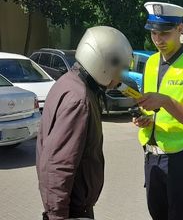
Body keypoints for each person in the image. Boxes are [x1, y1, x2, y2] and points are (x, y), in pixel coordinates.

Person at [36, 26, 133, 220]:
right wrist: (58, 216)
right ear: (103, 64)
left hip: (72, 207)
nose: (120, 77)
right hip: (72, 211)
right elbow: (58, 165)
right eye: (120, 69)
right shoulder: (80, 100)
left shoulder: (69, 82)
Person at [133, 2, 183, 220]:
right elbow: (149, 107)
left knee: (181, 216)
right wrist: (144, 119)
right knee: (157, 214)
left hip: (181, 158)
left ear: (180, 29)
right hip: (151, 156)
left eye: (165, 33)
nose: (158, 40)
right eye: (154, 33)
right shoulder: (150, 62)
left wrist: (166, 101)